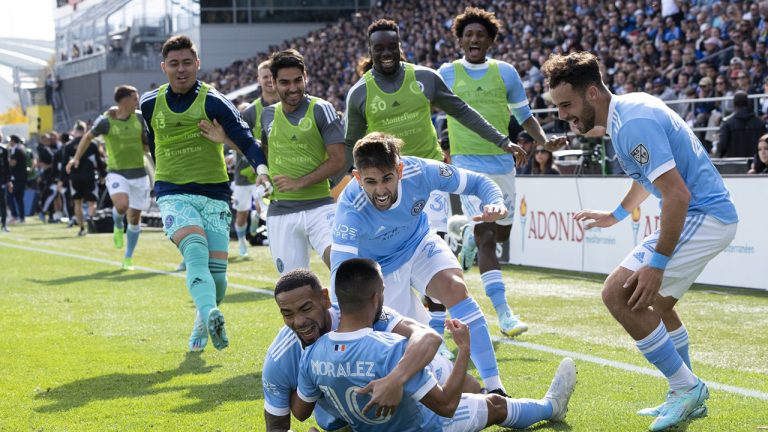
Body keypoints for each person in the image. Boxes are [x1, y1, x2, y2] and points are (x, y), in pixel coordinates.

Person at [543, 51, 738, 431]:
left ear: (594, 92)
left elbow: (677, 195)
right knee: (658, 306)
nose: (563, 115)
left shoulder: (631, 122)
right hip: (707, 215)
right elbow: (650, 177)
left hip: (705, 215)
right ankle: (684, 395)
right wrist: (615, 215)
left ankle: (686, 388)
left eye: (567, 105)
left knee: (619, 294)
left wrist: (658, 263)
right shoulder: (627, 112)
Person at [294, 258, 577, 431]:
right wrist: (464, 349)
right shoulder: (391, 348)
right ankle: (551, 407)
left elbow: (301, 411)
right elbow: (446, 406)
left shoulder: (311, 355)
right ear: (375, 297)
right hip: (427, 425)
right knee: (496, 405)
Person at [331, 132, 510, 395]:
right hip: (380, 271)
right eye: (370, 182)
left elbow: (479, 182)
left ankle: (496, 389)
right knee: (408, 352)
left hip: (418, 244)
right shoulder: (350, 209)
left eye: (387, 179)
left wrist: (495, 203)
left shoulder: (421, 171)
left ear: (400, 169)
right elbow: (341, 272)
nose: (381, 191)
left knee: (454, 288)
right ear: (357, 178)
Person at [437, 7, 567, 338]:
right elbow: (429, 111)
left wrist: (545, 142)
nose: (474, 39)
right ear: (460, 40)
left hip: (503, 163)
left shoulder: (506, 73)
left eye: (481, 34)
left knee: (502, 235)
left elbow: (524, 116)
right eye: (468, 35)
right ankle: (505, 314)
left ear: (491, 40)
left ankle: (464, 234)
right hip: (467, 165)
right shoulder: (447, 74)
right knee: (487, 236)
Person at [140, 35, 269, 352]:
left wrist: (262, 169)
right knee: (194, 249)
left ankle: (203, 318)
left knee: (219, 276)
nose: (181, 69)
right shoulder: (149, 103)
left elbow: (246, 139)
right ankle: (211, 310)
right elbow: (156, 142)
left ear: (197, 64)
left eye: (187, 63)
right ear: (164, 67)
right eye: (174, 63)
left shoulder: (214, 102)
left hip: (214, 194)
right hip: (173, 192)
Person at [344, 18, 527, 235]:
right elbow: (351, 145)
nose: (386, 53)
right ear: (370, 50)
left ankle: (451, 241)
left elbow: (463, 111)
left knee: (435, 239)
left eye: (392, 47)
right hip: (387, 178)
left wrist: (502, 141)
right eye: (379, 48)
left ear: (400, 47)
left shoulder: (425, 77)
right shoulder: (359, 92)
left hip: (429, 171)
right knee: (398, 250)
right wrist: (340, 181)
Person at [263, 267, 461, 431]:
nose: (298, 322)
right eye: (287, 314)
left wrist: (395, 380)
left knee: (477, 396)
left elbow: (428, 337)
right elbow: (277, 426)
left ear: (324, 298)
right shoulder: (279, 360)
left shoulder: (358, 313)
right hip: (343, 427)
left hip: (407, 414)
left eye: (306, 308)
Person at [205, 50, 346, 275]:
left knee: (343, 268)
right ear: (273, 82)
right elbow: (268, 153)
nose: (293, 88)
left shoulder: (321, 109)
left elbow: (339, 159)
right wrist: (227, 141)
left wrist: (300, 182)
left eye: (298, 80)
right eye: (285, 82)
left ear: (306, 77)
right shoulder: (267, 115)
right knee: (294, 286)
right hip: (280, 212)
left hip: (319, 206)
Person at [67, 85, 151, 269]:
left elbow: (148, 140)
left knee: (135, 219)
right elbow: (88, 137)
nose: (138, 101)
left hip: (139, 173)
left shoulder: (139, 117)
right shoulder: (106, 121)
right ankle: (118, 224)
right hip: (117, 172)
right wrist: (75, 158)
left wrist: (147, 146)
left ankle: (128, 257)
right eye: (135, 97)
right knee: (121, 206)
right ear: (123, 100)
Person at [234, 60, 279, 257]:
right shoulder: (250, 112)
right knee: (242, 212)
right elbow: (242, 143)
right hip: (249, 172)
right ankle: (243, 240)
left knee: (275, 212)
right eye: (265, 76)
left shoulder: (291, 105)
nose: (269, 80)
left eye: (272, 75)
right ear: (258, 80)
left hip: (280, 172)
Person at [62, 121, 105, 236]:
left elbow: (64, 165)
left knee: (77, 203)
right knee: (92, 202)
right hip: (89, 176)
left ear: (75, 130)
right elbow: (99, 162)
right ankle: (90, 219)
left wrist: (63, 180)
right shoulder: (91, 144)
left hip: (75, 177)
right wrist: (102, 174)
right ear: (85, 130)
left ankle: (81, 227)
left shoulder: (68, 146)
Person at [717, 91, 766, 158]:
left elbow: (722, 146)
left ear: (734, 104)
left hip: (734, 164)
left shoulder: (727, 123)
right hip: (755, 163)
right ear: (747, 103)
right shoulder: (760, 123)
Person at [7, 134, 27, 224]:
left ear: (13, 141)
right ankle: (22, 217)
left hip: (16, 177)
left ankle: (14, 216)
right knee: (19, 198)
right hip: (22, 177)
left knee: (9, 197)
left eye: (10, 140)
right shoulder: (21, 148)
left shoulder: (16, 149)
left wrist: (5, 159)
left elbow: (12, 163)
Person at [0, 132, 10, 232]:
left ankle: (4, 224)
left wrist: (9, 180)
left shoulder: (4, 150)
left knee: (3, 202)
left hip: (1, 180)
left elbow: (7, 167)